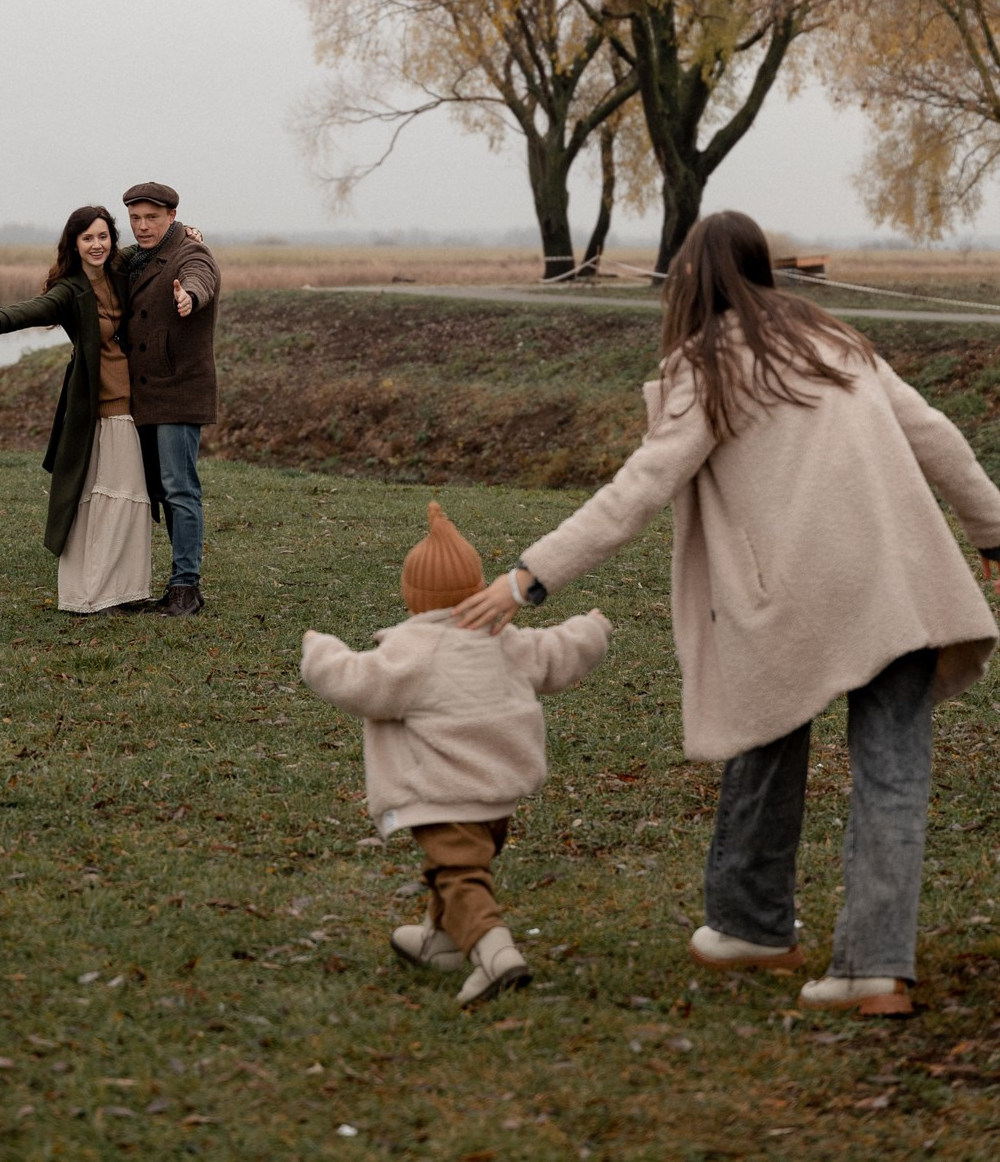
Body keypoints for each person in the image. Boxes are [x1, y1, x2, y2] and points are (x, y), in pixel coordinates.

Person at [455, 210, 1000, 1017]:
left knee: (763, 728)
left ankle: (759, 925)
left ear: (689, 280)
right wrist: (994, 534)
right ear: (763, 271)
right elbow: (940, 439)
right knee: (890, 776)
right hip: (904, 586)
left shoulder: (706, 367)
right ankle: (851, 958)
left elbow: (636, 490)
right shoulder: (840, 344)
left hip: (795, 601)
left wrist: (527, 578)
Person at [301, 500, 611, 1007]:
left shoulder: (413, 649)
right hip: (497, 799)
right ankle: (441, 940)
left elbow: (357, 682)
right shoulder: (504, 638)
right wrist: (593, 628)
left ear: (411, 595)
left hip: (444, 796)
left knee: (459, 876)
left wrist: (320, 650)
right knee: (454, 869)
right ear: (477, 586)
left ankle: (495, 952)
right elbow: (559, 653)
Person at [0, 205, 152, 616]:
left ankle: (122, 592)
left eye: (103, 236)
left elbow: (155, 245)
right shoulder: (70, 290)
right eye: (88, 238)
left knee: (125, 498)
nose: (97, 245)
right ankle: (92, 595)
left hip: (131, 403)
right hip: (98, 406)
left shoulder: (121, 267)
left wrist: (187, 233)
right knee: (105, 498)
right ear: (74, 244)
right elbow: (37, 308)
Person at [121, 181, 220, 618]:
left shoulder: (191, 253)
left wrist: (189, 297)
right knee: (158, 490)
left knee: (181, 489)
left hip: (177, 390)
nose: (142, 226)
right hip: (144, 392)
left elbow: (202, 280)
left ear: (171, 216)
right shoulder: (134, 260)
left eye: (152, 218)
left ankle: (185, 588)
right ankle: (168, 581)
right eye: (135, 218)